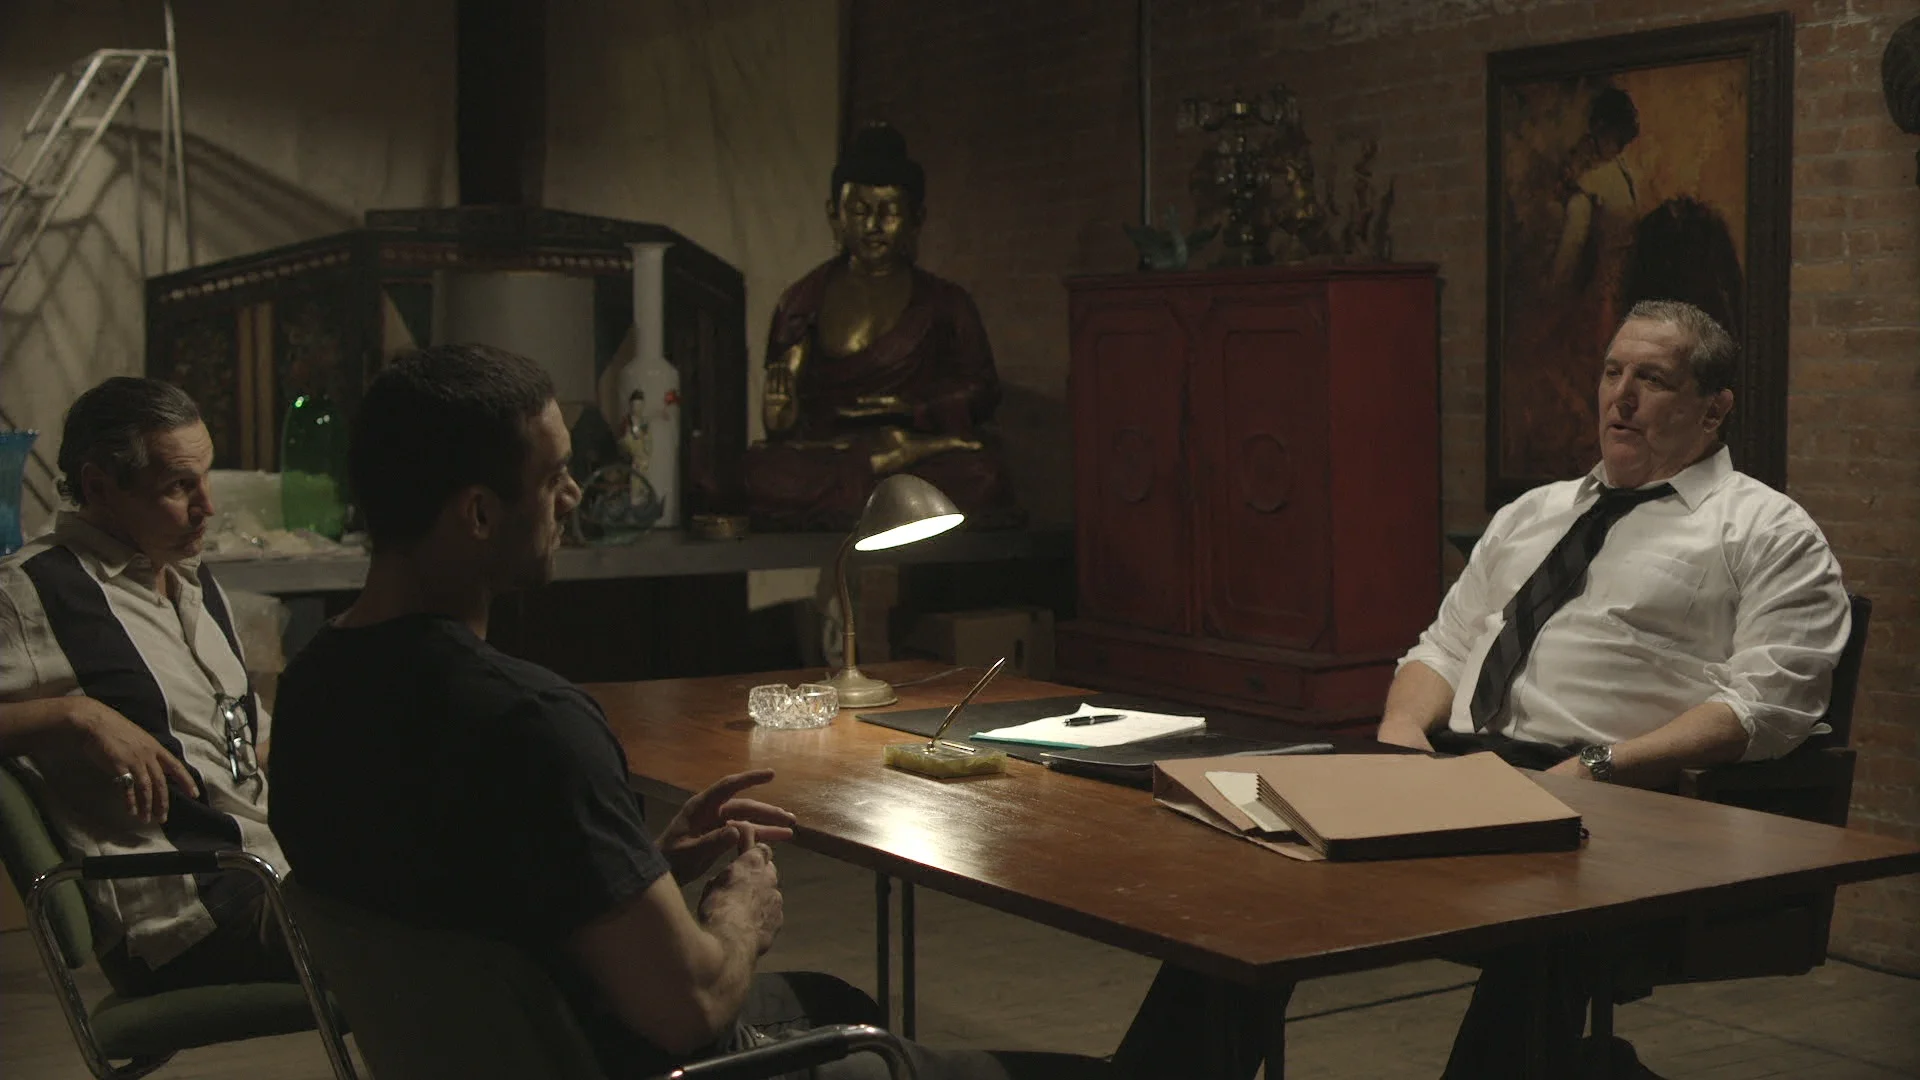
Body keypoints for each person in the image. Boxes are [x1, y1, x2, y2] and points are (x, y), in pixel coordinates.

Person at [269, 344, 1268, 1080]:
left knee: (836, 1001)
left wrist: (641, 868)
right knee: (1195, 1015)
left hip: (509, 1053)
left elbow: (477, 900)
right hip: (655, 1063)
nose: (572, 497)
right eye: (552, 476)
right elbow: (689, 1007)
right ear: (479, 513)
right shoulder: (532, 725)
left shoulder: (313, 694)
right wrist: (735, 917)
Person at [1377, 299, 1850, 1077]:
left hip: (1610, 795)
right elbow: (1447, 645)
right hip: (1457, 775)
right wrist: (1401, 738)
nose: (1620, 398)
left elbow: (1766, 705)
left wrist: (1597, 768)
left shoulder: (1765, 531)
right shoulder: (1533, 513)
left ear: (1714, 409)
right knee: (1244, 879)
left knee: (1543, 918)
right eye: (1611, 372)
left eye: (1652, 379)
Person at [0, 377, 290, 997]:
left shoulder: (190, 580)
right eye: (179, 486)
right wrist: (77, 716)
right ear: (99, 486)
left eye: (205, 478)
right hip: (192, 916)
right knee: (435, 924)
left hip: (274, 871)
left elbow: (245, 748)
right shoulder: (31, 590)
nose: (208, 506)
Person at [744, 123, 1022, 531]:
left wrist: (910, 408)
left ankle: (883, 480)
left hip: (917, 448)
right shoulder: (804, 301)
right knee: (759, 473)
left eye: (889, 212)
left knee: (983, 473)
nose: (874, 225)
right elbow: (785, 420)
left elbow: (983, 391)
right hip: (835, 450)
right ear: (834, 215)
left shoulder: (946, 302)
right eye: (859, 211)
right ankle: (885, 483)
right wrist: (780, 414)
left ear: (916, 218)